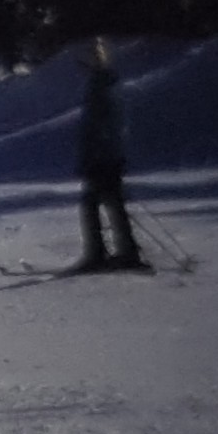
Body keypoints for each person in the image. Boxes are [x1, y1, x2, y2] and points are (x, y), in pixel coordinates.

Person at [74, 40, 147, 272]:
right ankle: (126, 252)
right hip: (109, 155)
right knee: (112, 203)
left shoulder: (100, 86)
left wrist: (96, 155)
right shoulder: (106, 83)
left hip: (103, 157)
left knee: (93, 204)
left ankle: (100, 255)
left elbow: (102, 125)